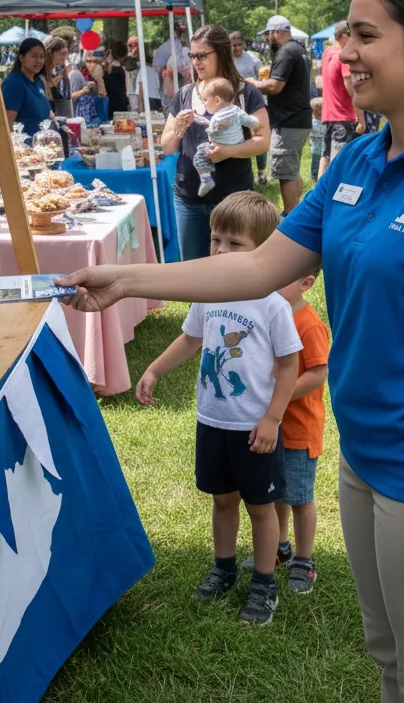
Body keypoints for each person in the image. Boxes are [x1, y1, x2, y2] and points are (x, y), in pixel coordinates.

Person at [61, 0, 404, 703]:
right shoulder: (357, 160)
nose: (342, 52)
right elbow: (258, 269)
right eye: (344, 33)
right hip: (366, 461)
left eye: (364, 35)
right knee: (392, 657)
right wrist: (127, 279)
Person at [134, 192, 301, 626]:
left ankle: (264, 583)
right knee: (222, 500)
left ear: (262, 251)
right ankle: (224, 568)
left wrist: (272, 418)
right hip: (213, 422)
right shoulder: (209, 294)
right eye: (215, 241)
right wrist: (153, 369)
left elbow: (289, 365)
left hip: (254, 428)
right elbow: (190, 339)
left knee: (261, 508)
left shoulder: (272, 304)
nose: (221, 251)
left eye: (234, 243)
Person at [161, 25, 270, 260]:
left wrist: (228, 151)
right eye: (192, 56)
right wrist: (178, 129)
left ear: (220, 53)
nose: (196, 62)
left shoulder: (245, 92)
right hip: (188, 197)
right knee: (193, 275)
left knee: (232, 274)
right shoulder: (184, 94)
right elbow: (167, 146)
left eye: (202, 55)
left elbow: (263, 141)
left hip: (232, 198)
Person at [271, 269, 329, 594]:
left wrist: (281, 393)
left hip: (298, 430)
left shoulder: (308, 324)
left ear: (306, 283)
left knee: (299, 498)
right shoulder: (272, 314)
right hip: (273, 426)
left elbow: (319, 372)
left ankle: (304, 560)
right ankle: (280, 547)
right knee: (276, 492)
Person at [254, 16, 312, 215]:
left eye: (268, 35)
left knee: (286, 173)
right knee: (292, 170)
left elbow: (275, 86)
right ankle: (297, 213)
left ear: (275, 32)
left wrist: (251, 84)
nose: (266, 40)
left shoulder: (286, 52)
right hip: (299, 120)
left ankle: (289, 216)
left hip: (288, 122)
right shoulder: (298, 49)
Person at [192, 77, 262, 197]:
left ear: (217, 100)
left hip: (218, 146)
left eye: (205, 100)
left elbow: (212, 129)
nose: (204, 103)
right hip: (236, 145)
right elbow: (249, 121)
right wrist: (255, 122)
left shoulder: (218, 117)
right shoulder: (236, 110)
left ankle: (206, 179)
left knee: (199, 154)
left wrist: (207, 129)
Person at [319, 21, 365, 177]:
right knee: (338, 164)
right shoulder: (343, 57)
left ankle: (319, 195)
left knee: (325, 158)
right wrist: (361, 117)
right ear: (345, 36)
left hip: (327, 115)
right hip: (343, 116)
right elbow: (350, 87)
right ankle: (332, 197)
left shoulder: (327, 53)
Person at [1, 37, 51, 137]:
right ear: (21, 58)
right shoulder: (15, 83)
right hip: (23, 147)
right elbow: (6, 125)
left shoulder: (38, 82)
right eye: (34, 56)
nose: (39, 61)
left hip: (41, 145)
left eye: (42, 57)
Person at [153, 21, 191, 110]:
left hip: (177, 85)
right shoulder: (182, 51)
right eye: (181, 33)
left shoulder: (184, 50)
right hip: (172, 84)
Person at [104, 41, 131, 113]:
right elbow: (127, 87)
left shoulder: (107, 67)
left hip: (110, 102)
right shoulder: (122, 70)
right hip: (121, 102)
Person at [309, 97, 325, 183]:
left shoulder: (326, 121)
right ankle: (314, 174)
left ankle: (323, 173)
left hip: (325, 146)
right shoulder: (311, 121)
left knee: (324, 160)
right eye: (317, 110)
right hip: (315, 147)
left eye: (322, 109)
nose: (320, 112)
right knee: (315, 161)